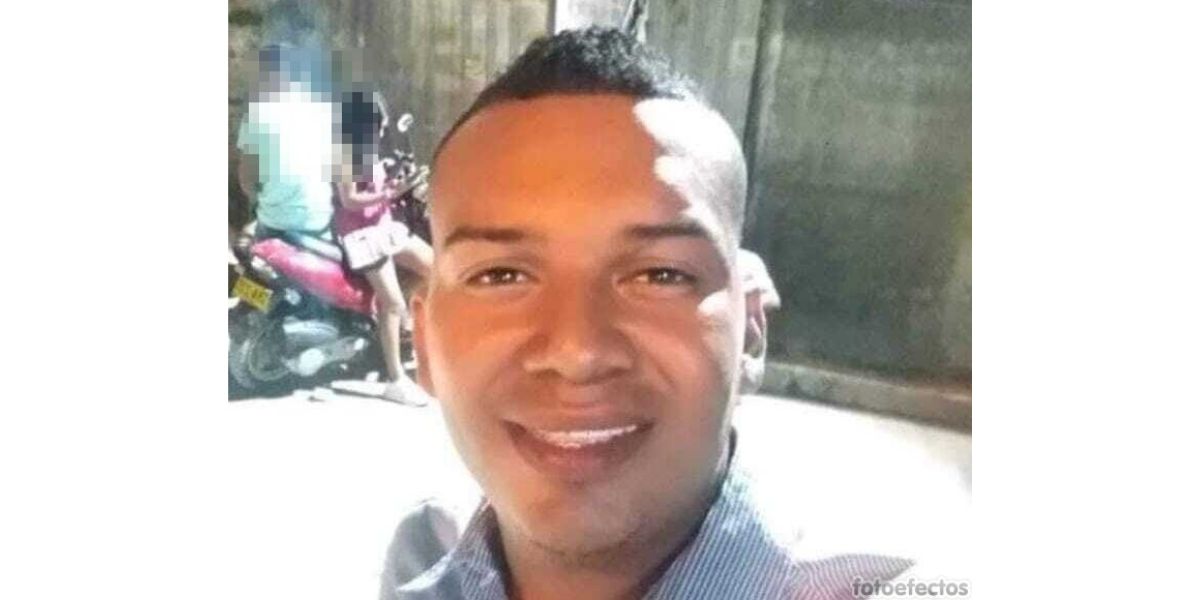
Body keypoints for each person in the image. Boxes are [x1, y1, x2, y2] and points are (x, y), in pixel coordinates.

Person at [380, 28, 915, 599]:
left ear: (751, 336)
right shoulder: (423, 559)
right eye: (500, 276)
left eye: (661, 275)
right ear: (425, 344)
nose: (578, 353)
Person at [333, 89, 432, 405]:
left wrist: (400, 185)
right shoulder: (346, 153)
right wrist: (390, 194)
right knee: (391, 303)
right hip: (361, 236)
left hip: (385, 226)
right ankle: (396, 379)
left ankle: (411, 329)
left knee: (436, 268)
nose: (381, 129)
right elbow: (350, 200)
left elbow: (377, 189)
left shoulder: (370, 150)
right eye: (378, 124)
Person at [235, 43, 337, 242]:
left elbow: (246, 178)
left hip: (276, 224)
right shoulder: (323, 109)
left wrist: (260, 200)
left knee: (250, 233)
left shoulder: (258, 114)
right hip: (319, 221)